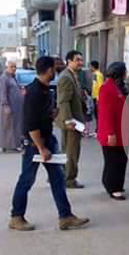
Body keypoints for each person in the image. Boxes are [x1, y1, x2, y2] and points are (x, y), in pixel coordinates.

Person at [8, 56, 90, 232]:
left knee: (58, 178)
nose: (57, 70)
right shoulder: (34, 92)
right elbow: (31, 124)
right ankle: (16, 216)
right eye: (54, 67)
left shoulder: (46, 90)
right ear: (48, 70)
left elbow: (43, 116)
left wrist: (53, 115)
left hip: (47, 139)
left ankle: (65, 216)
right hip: (35, 144)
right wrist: (41, 147)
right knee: (26, 180)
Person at [98, 62, 129, 200]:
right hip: (113, 132)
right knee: (113, 161)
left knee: (121, 160)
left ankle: (116, 184)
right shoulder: (107, 88)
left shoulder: (118, 87)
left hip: (122, 130)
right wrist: (110, 133)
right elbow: (106, 113)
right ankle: (113, 187)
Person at [56, 50, 86, 189]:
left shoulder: (72, 75)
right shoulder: (66, 77)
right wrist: (69, 120)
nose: (80, 63)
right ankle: (69, 179)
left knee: (67, 150)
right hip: (72, 122)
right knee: (72, 152)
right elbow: (64, 101)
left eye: (81, 60)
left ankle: (60, 175)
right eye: (77, 60)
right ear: (69, 61)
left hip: (74, 120)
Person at [0, 61, 24, 152]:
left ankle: (13, 144)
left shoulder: (12, 77)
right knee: (9, 126)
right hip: (9, 106)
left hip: (16, 106)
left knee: (15, 125)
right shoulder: (4, 78)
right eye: (11, 67)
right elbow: (3, 92)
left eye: (15, 67)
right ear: (7, 67)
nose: (14, 68)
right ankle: (10, 145)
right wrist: (5, 105)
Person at [91, 60, 104, 132]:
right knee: (96, 114)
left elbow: (100, 86)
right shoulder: (95, 74)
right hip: (95, 96)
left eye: (91, 66)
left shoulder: (98, 75)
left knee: (98, 114)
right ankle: (97, 128)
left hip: (97, 97)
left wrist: (98, 98)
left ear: (93, 67)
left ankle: (99, 128)